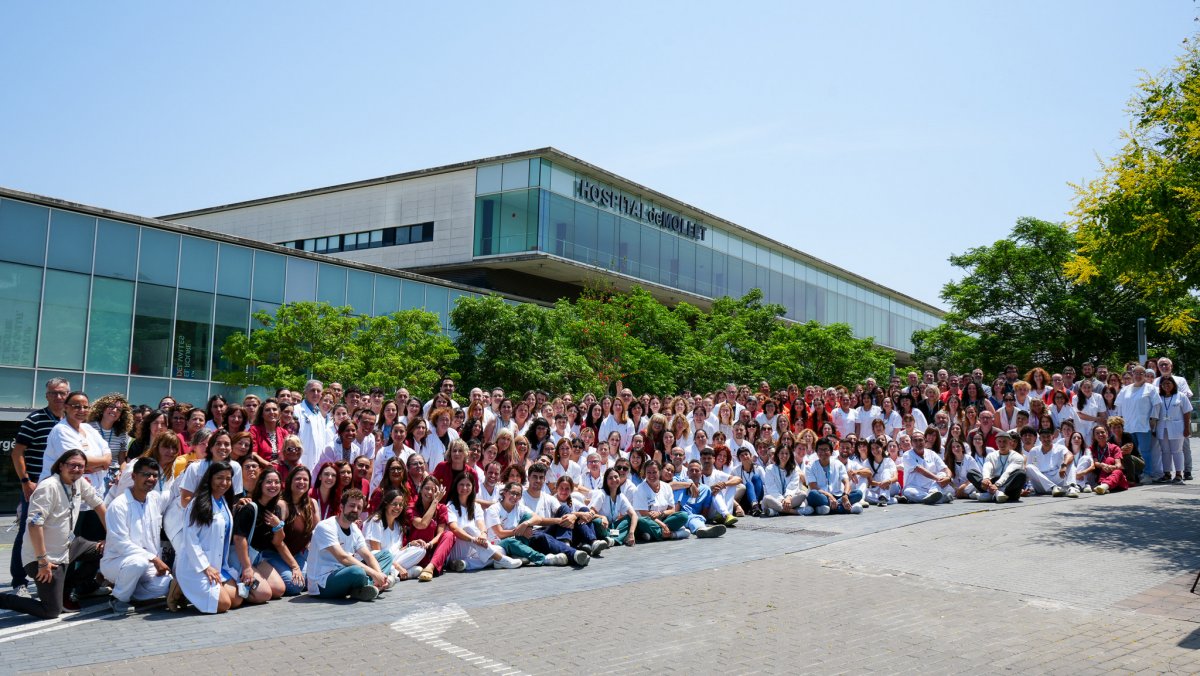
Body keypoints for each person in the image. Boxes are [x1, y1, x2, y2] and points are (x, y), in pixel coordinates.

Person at [0, 450, 105, 619]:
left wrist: (111, 539)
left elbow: (99, 506)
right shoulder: (49, 487)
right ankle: (4, 600)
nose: (76, 469)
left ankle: (68, 588)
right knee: (51, 611)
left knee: (105, 551)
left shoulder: (79, 483)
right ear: (61, 465)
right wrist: (42, 561)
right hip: (43, 557)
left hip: (68, 546)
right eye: (72, 464)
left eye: (81, 466)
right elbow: (34, 524)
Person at [100, 457, 172, 614]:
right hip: (118, 562)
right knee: (138, 562)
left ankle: (129, 589)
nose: (151, 479)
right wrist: (153, 558)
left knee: (170, 585)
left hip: (149, 565)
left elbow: (176, 491)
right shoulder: (118, 505)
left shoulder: (154, 499)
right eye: (146, 474)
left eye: (154, 475)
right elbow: (121, 543)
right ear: (133, 476)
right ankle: (118, 598)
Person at [173, 461, 239, 614]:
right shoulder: (197, 503)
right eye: (219, 478)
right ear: (209, 479)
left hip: (217, 565)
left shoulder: (223, 501)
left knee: (236, 600)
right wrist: (205, 567)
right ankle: (177, 588)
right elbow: (190, 538)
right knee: (223, 604)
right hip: (196, 566)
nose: (224, 483)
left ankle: (206, 590)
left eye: (228, 479)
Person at [306, 489, 392, 600]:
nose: (355, 510)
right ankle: (370, 585)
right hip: (323, 583)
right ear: (341, 507)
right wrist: (375, 575)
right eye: (352, 506)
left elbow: (367, 555)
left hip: (345, 572)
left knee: (385, 555)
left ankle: (372, 586)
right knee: (357, 571)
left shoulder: (354, 528)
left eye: (359, 508)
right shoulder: (325, 526)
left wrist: (380, 575)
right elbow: (343, 558)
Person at [229, 468, 290, 606]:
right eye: (269, 482)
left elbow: (277, 541)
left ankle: (247, 586)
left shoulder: (276, 509)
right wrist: (247, 568)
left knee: (279, 590)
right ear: (260, 484)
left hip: (257, 557)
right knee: (264, 594)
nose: (273, 486)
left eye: (276, 482)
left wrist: (278, 525)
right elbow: (239, 539)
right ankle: (239, 589)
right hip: (241, 558)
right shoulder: (250, 507)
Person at [444, 474, 523, 571]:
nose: (465, 488)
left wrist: (483, 535)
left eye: (468, 485)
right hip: (457, 547)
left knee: (500, 550)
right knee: (469, 528)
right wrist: (474, 539)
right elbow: (454, 529)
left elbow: (481, 523)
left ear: (473, 487)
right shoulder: (450, 506)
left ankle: (464, 563)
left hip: (475, 547)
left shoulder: (476, 506)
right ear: (456, 486)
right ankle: (501, 560)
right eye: (461, 484)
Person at [363, 489, 427, 583]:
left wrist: (410, 545)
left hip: (393, 559)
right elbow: (376, 552)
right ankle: (397, 573)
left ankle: (394, 574)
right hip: (377, 560)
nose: (398, 507)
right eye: (394, 504)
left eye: (400, 505)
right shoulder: (376, 521)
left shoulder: (398, 524)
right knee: (417, 570)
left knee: (421, 550)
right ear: (386, 504)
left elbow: (397, 551)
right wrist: (398, 566)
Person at [268, 466, 314, 595]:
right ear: (290, 482)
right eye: (298, 479)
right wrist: (295, 567)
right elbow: (278, 542)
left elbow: (315, 533)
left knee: (311, 580)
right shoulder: (282, 505)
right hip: (275, 553)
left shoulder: (311, 504)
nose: (302, 482)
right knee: (295, 586)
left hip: (297, 554)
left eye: (305, 479)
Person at [1116, 366, 1163, 481]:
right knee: (1132, 451)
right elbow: (1119, 406)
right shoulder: (1125, 389)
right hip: (1128, 426)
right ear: (1132, 374)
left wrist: (1153, 419)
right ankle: (1136, 474)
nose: (1138, 376)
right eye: (1135, 373)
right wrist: (1120, 421)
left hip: (1143, 425)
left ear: (1144, 375)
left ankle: (1147, 474)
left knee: (1145, 451)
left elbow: (1157, 405)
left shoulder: (1150, 389)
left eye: (1140, 373)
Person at [405, 477, 455, 581]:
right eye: (427, 488)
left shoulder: (442, 508)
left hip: (432, 550)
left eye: (434, 490)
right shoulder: (411, 508)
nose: (430, 492)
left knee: (449, 535)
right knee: (428, 524)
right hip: (417, 549)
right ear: (421, 489)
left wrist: (430, 544)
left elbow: (440, 533)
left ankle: (431, 567)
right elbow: (422, 524)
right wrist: (435, 501)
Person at [632, 461, 691, 540]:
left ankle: (655, 534)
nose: (651, 475)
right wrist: (663, 525)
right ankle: (671, 534)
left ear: (659, 472)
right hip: (648, 521)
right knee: (642, 521)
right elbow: (644, 514)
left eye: (654, 472)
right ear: (645, 473)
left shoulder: (666, 487)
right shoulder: (639, 489)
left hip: (663, 519)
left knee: (683, 515)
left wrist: (660, 514)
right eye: (648, 472)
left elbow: (672, 510)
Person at [804, 437, 862, 515]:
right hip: (822, 496)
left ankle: (826, 508)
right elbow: (813, 486)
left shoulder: (838, 464)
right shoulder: (810, 467)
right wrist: (829, 495)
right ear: (816, 452)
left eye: (826, 450)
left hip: (838, 495)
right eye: (820, 450)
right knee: (813, 494)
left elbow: (846, 482)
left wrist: (845, 495)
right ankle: (844, 508)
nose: (823, 452)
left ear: (831, 452)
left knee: (858, 493)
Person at [674, 460, 729, 538]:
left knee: (695, 518)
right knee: (687, 517)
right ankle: (702, 529)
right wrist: (690, 484)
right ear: (687, 473)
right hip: (678, 516)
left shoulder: (706, 490)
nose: (694, 473)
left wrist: (701, 519)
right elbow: (669, 485)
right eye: (691, 470)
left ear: (701, 473)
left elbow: (705, 511)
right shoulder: (680, 482)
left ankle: (701, 528)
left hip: (694, 517)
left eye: (697, 470)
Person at [1155, 375, 1192, 484]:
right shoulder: (1159, 397)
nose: (1166, 386)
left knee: (1177, 451)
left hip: (1177, 427)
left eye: (1168, 383)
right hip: (1162, 427)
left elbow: (1187, 412)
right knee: (1165, 451)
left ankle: (1179, 474)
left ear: (1173, 385)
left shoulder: (1180, 396)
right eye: (1164, 384)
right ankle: (1167, 473)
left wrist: (1187, 428)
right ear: (1160, 386)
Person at [972, 431, 1027, 503]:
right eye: (999, 441)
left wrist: (997, 485)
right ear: (996, 442)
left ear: (1010, 442)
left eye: (1004, 441)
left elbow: (1008, 472)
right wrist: (986, 478)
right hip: (992, 484)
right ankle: (994, 493)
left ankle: (993, 493)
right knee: (971, 472)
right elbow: (987, 467)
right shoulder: (991, 455)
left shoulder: (1018, 457)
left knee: (1021, 474)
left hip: (1009, 488)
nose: (1002, 444)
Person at [589, 468, 638, 547]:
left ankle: (612, 540)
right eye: (610, 478)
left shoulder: (620, 496)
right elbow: (590, 513)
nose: (614, 480)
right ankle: (617, 538)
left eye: (616, 477)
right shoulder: (601, 494)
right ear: (606, 481)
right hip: (603, 528)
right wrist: (602, 517)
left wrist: (631, 533)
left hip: (612, 529)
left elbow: (634, 515)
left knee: (629, 519)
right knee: (598, 522)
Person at [900, 431, 952, 505]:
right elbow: (920, 469)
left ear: (925, 441)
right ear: (911, 443)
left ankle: (933, 494)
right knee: (908, 492)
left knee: (943, 474)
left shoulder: (932, 453)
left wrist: (948, 478)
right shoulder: (907, 455)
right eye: (915, 440)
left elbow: (945, 468)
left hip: (933, 486)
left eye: (920, 440)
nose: (918, 443)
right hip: (915, 487)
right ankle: (939, 499)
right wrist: (937, 479)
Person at [1025, 427, 1077, 497]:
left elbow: (1070, 455)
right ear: (1040, 439)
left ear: (1052, 437)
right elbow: (1033, 469)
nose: (1046, 439)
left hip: (1057, 477)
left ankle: (1072, 487)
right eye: (1043, 437)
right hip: (1042, 483)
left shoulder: (1060, 447)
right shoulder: (1034, 451)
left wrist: (1064, 465)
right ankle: (1053, 488)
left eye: (1048, 436)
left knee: (1069, 462)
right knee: (1029, 467)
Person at [296, 379, 334, 471]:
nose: (316, 393)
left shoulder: (319, 415)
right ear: (305, 392)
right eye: (313, 390)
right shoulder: (296, 411)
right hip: (300, 462)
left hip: (316, 465)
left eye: (318, 391)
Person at [1092, 426, 1129, 495]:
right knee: (1109, 461)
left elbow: (1118, 465)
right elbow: (1095, 462)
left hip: (1116, 479)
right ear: (1094, 436)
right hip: (1101, 475)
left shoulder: (1115, 447)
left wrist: (1112, 467)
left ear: (1107, 434)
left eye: (1102, 432)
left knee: (1117, 470)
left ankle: (1104, 485)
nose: (1100, 434)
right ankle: (1105, 486)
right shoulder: (1092, 448)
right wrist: (1102, 465)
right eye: (1097, 433)